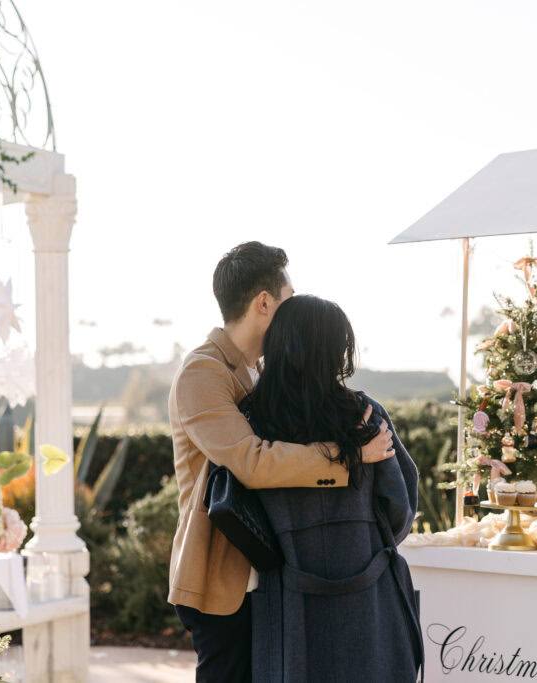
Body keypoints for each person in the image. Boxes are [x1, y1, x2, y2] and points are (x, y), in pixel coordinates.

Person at [168, 242, 396, 683]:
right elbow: (251, 462)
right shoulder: (203, 373)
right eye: (289, 300)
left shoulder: (257, 372)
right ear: (264, 303)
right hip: (221, 579)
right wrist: (349, 458)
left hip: (267, 577)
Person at [242, 294, 423, 683]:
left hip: (290, 602)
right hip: (369, 595)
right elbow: (399, 508)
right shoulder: (365, 413)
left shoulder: (252, 419)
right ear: (334, 350)